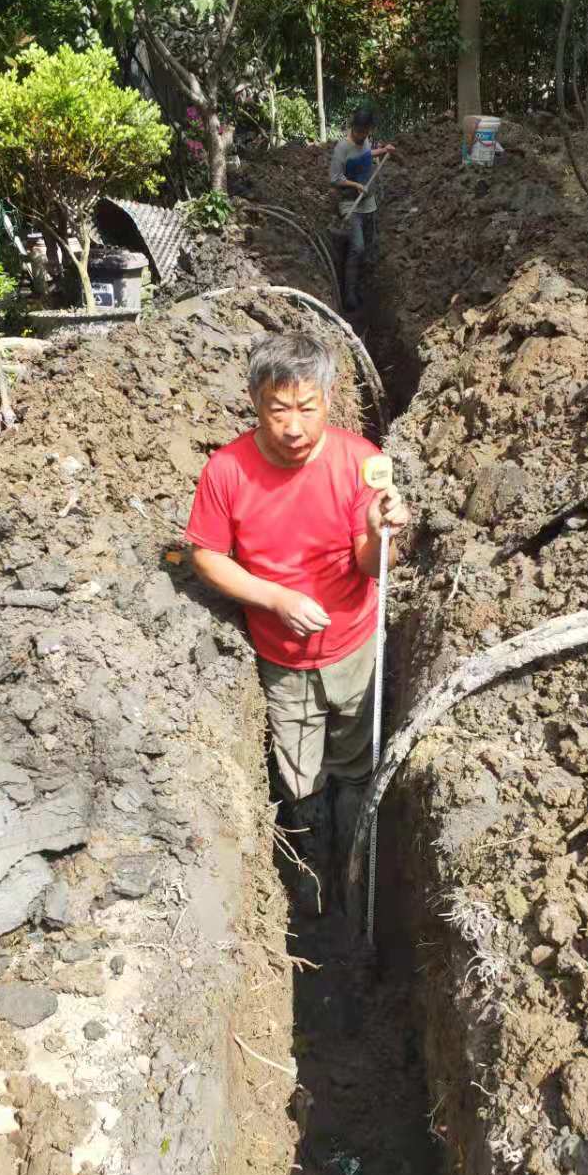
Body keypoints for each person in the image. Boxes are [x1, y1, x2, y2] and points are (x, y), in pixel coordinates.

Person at [185, 332, 409, 915]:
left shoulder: (358, 461)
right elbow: (206, 556)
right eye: (278, 410)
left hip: (355, 647)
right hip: (283, 659)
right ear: (254, 402)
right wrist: (275, 599)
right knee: (300, 775)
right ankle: (311, 881)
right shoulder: (227, 471)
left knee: (356, 764)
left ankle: (355, 866)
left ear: (329, 400)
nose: (293, 427)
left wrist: (383, 533)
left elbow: (372, 565)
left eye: (307, 409)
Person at [330, 106, 396, 312]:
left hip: (368, 204)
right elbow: (335, 179)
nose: (363, 136)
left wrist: (383, 151)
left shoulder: (364, 142)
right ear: (354, 128)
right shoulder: (342, 148)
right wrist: (356, 185)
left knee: (369, 247)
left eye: (366, 132)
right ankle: (349, 295)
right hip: (350, 204)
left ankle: (364, 291)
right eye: (360, 132)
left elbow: (366, 155)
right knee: (357, 247)